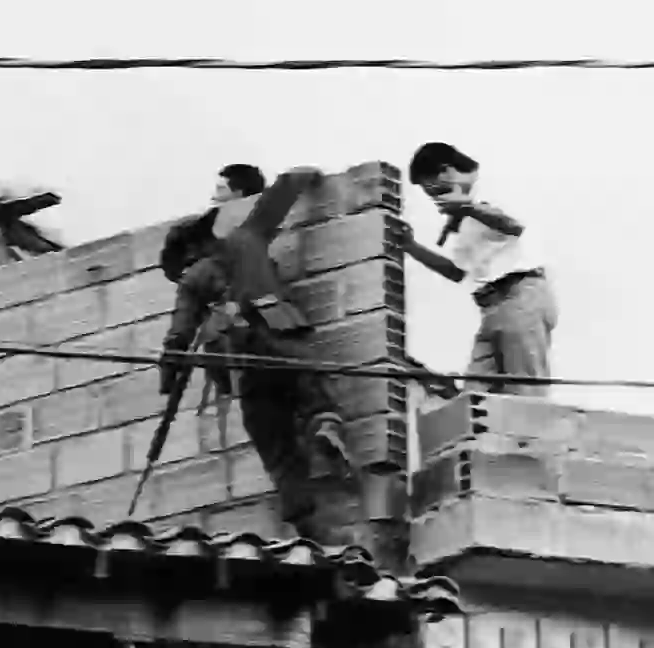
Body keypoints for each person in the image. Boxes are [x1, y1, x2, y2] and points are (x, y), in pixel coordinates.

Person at [158, 166, 355, 537]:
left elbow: (177, 338)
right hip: (281, 334)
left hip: (244, 364)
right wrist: (307, 175)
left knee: (274, 442)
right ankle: (325, 424)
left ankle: (306, 522)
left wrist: (168, 379)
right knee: (311, 386)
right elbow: (280, 192)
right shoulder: (249, 237)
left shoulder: (191, 281)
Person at [394, 142, 555, 396]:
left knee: (525, 395)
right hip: (491, 308)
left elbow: (513, 225)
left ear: (446, 171)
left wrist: (468, 207)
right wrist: (412, 247)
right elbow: (458, 272)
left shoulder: (493, 183)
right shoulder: (463, 216)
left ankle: (532, 437)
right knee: (474, 398)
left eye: (435, 191)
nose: (437, 200)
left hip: (520, 296)